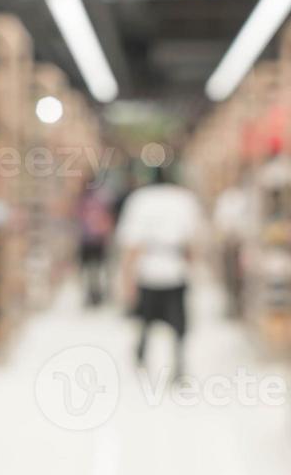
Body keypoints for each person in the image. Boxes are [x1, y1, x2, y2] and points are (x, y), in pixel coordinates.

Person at [116, 162, 206, 382]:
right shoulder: (184, 199)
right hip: (175, 268)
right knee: (177, 322)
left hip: (148, 267)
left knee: (146, 318)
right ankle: (177, 362)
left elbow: (131, 243)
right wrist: (195, 269)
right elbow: (193, 239)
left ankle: (143, 355)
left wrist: (126, 278)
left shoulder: (139, 200)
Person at [212, 182, 253, 319]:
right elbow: (220, 224)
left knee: (240, 277)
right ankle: (232, 303)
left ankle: (240, 305)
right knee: (229, 276)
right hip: (228, 245)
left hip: (241, 244)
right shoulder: (224, 199)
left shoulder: (243, 198)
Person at [77, 182, 115, 306]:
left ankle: (95, 294)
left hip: (92, 239)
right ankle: (94, 294)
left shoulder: (88, 200)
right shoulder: (98, 200)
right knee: (95, 269)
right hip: (92, 239)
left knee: (94, 269)